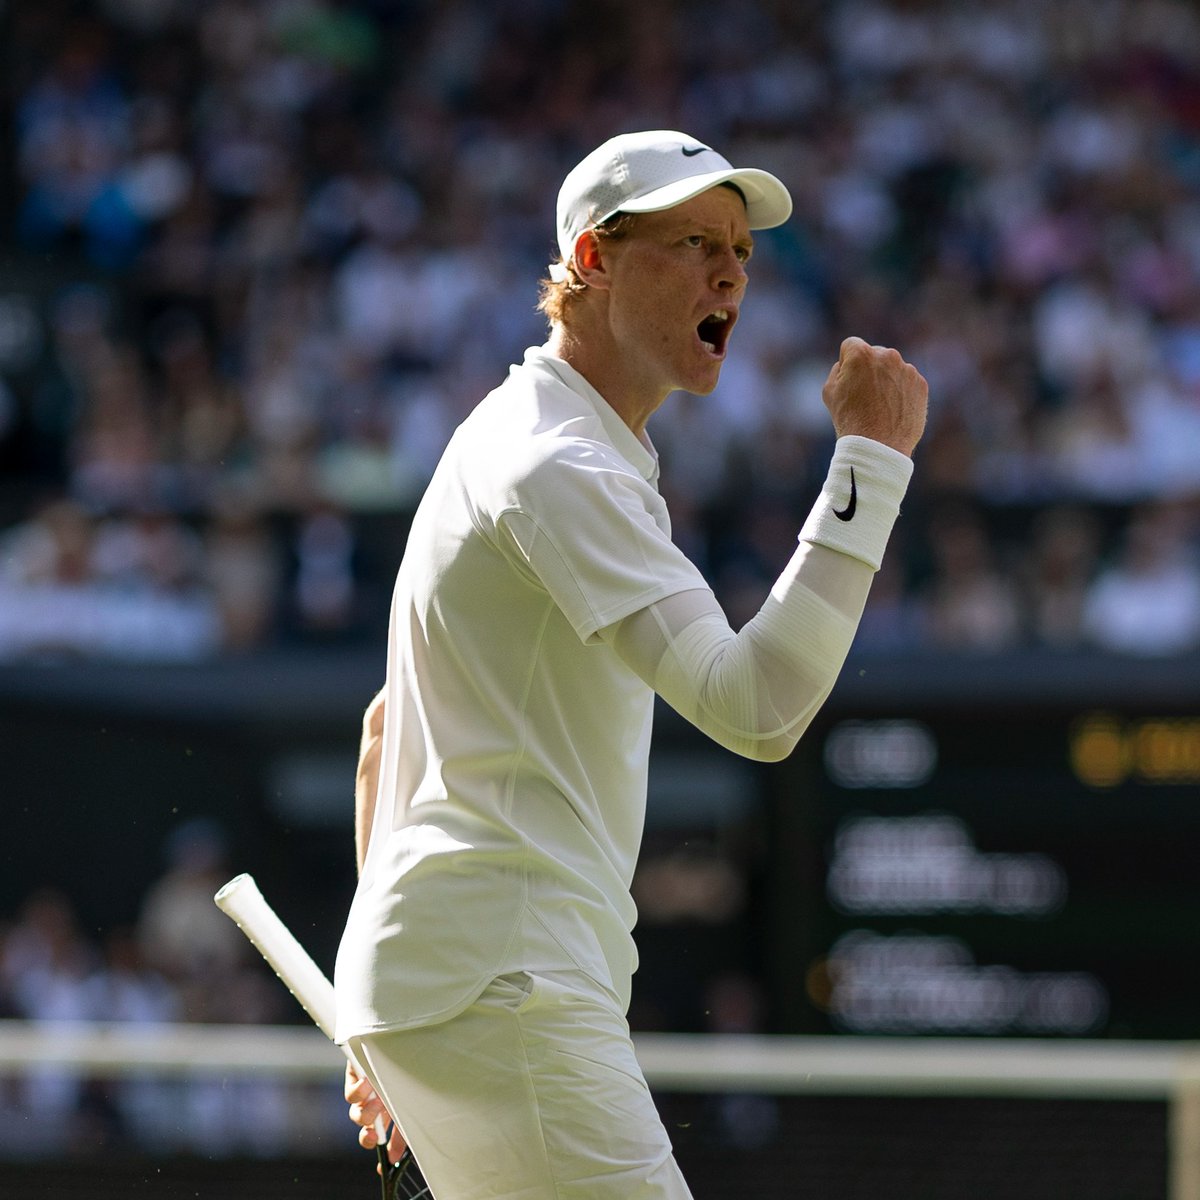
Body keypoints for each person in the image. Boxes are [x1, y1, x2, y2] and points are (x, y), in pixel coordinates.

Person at [335, 129, 927, 1199]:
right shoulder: (560, 464)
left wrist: (383, 997)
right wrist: (871, 464)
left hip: (459, 982)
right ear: (593, 260)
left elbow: (387, 733)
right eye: (694, 242)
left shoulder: (525, 439)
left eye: (740, 251)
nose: (730, 273)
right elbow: (760, 708)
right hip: (504, 982)